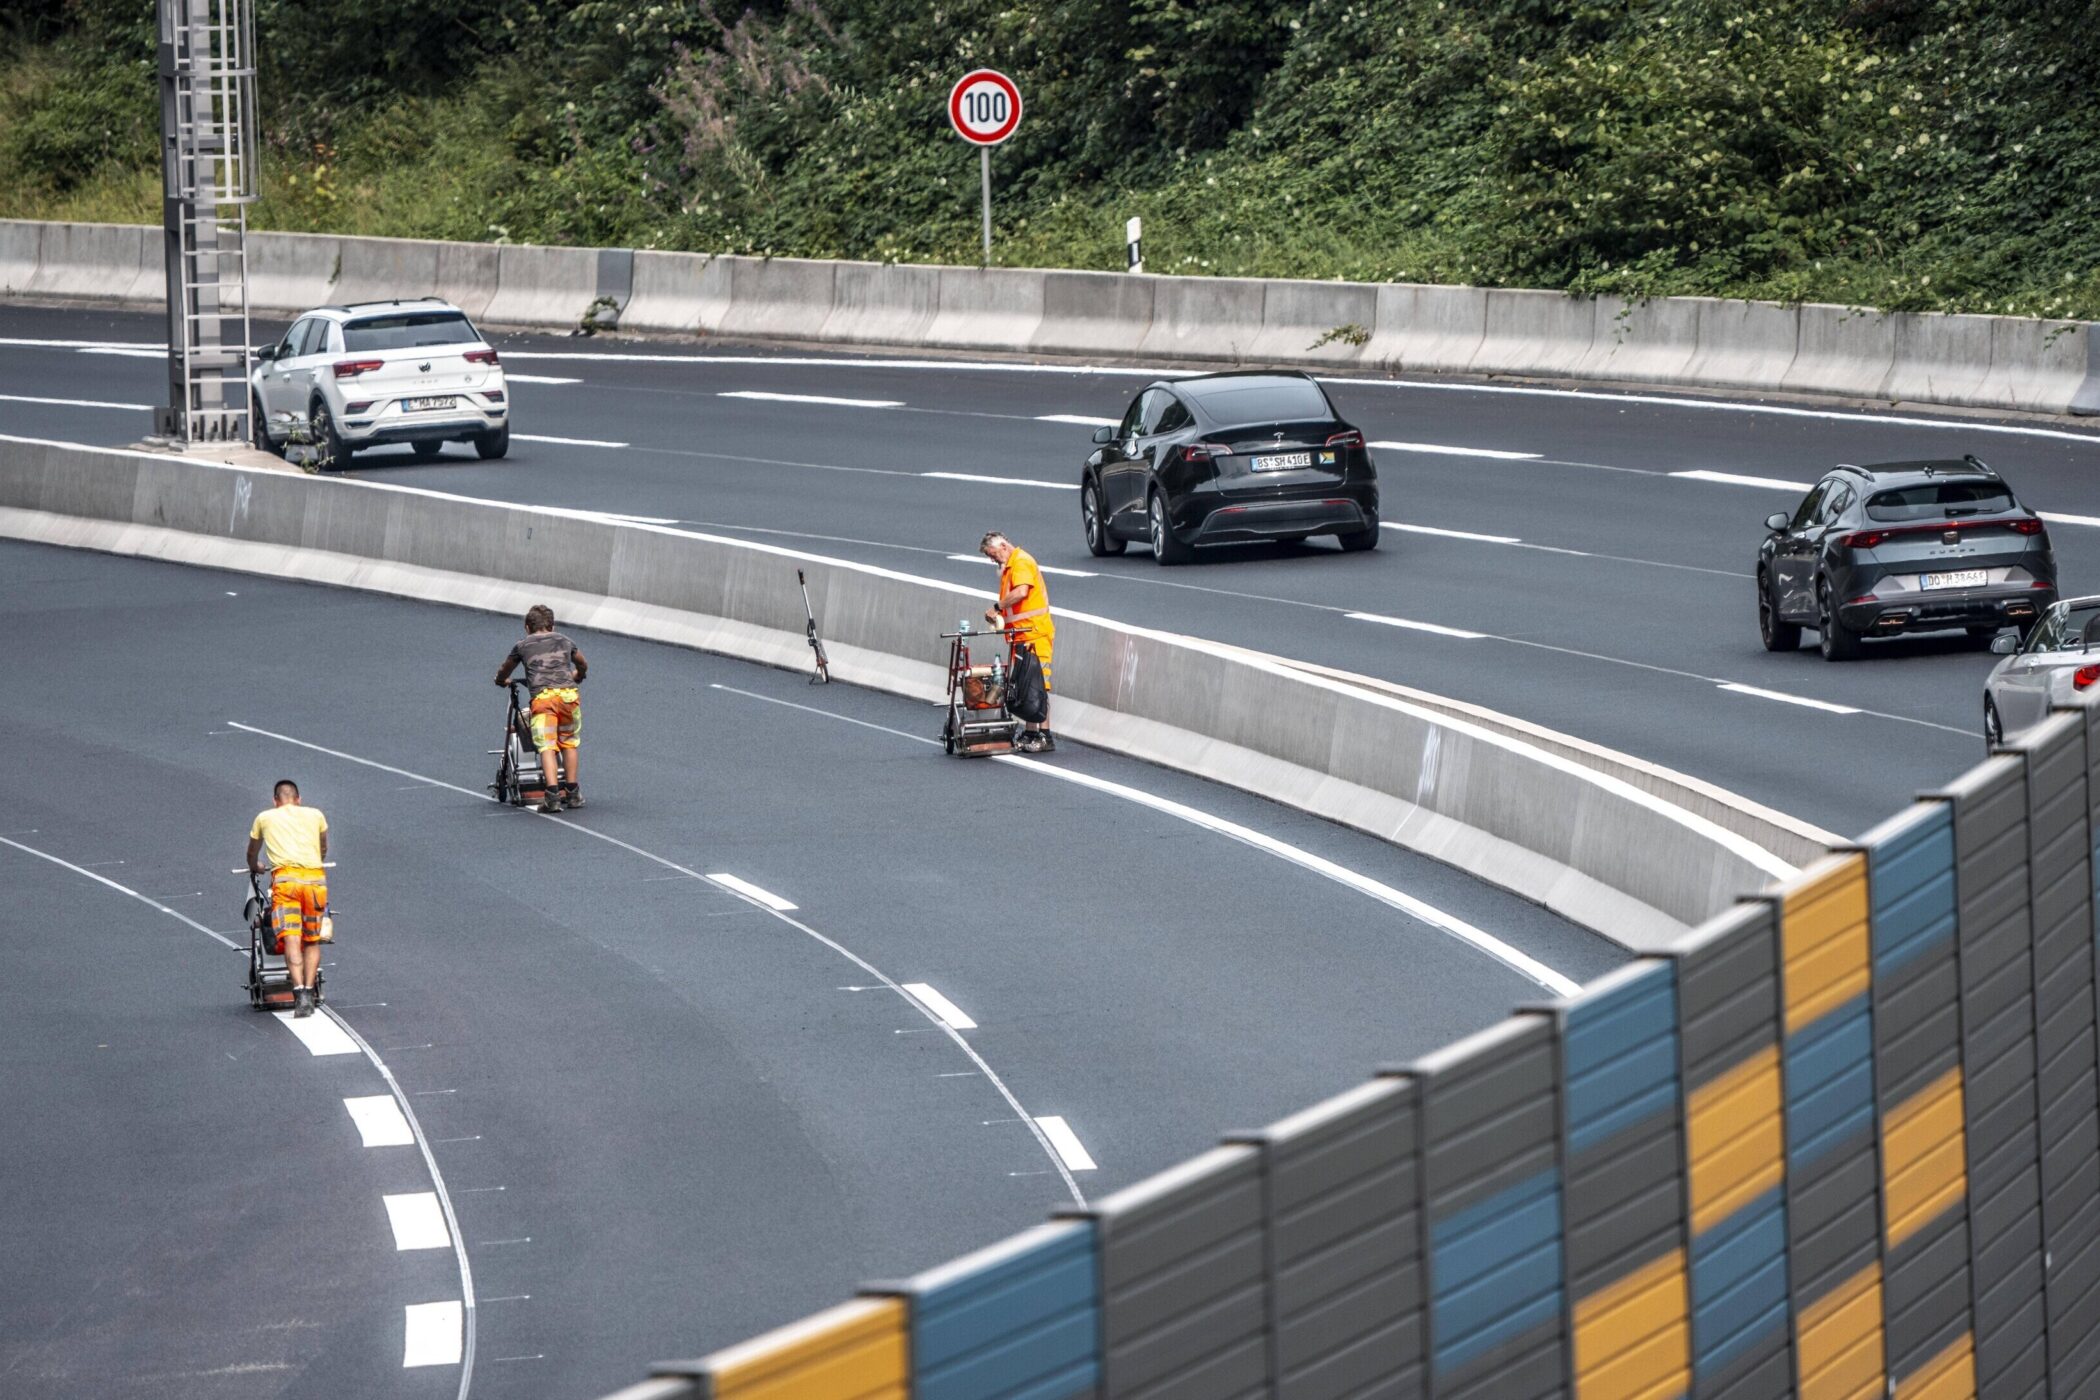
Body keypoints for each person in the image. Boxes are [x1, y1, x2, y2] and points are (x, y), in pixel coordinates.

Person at [246, 779, 329, 1018]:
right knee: (311, 939)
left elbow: (252, 851)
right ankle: (311, 989)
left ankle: (300, 994)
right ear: (298, 799)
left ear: (275, 801)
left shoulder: (264, 818)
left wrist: (255, 865)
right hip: (314, 881)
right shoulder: (316, 815)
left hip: (286, 882)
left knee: (292, 937)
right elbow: (323, 847)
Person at [496, 604, 589, 812]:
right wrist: (578, 676)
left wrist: (501, 680)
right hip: (568, 696)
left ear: (527, 627)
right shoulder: (565, 640)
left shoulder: (522, 645)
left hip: (544, 699)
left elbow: (505, 668)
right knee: (569, 743)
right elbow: (582, 663)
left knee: (547, 746)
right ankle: (573, 794)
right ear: (552, 625)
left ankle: (553, 796)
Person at [979, 531, 1055, 752]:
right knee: (1027, 686)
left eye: (993, 555)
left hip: (1035, 634)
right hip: (1023, 636)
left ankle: (1044, 735)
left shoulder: (1021, 562)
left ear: (1003, 546)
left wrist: (997, 607)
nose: (993, 560)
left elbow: (1021, 592)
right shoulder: (1011, 566)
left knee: (1038, 686)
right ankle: (1032, 732)